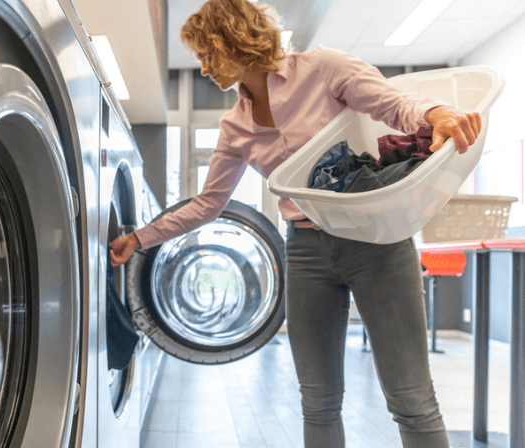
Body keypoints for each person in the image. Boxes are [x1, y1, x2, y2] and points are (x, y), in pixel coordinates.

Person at [109, 1, 482, 447]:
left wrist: (437, 113)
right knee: (318, 402)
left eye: (208, 53)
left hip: (374, 241)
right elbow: (208, 204)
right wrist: (139, 237)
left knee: (411, 400)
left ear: (234, 38)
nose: (205, 68)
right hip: (305, 252)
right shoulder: (234, 127)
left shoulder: (324, 68)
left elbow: (395, 105)